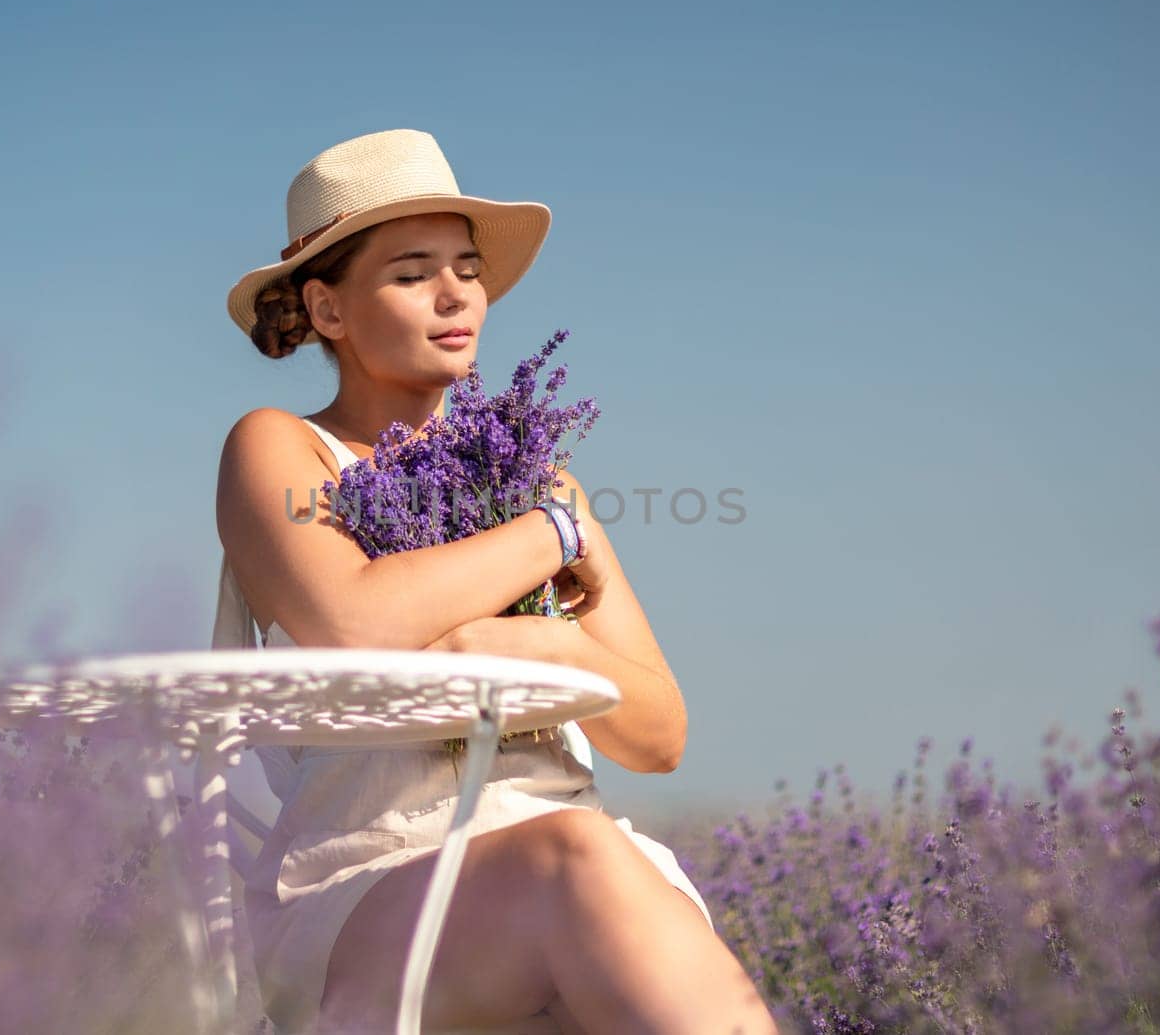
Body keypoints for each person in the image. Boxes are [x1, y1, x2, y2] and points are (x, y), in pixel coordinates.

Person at [213, 129, 781, 1034]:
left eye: (467, 269)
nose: (456, 296)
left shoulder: (539, 483)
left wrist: (533, 640)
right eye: (411, 272)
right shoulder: (280, 448)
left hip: (583, 859)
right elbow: (354, 625)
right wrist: (553, 536)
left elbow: (658, 732)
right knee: (572, 862)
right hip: (374, 884)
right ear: (327, 309)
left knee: (582, 856)